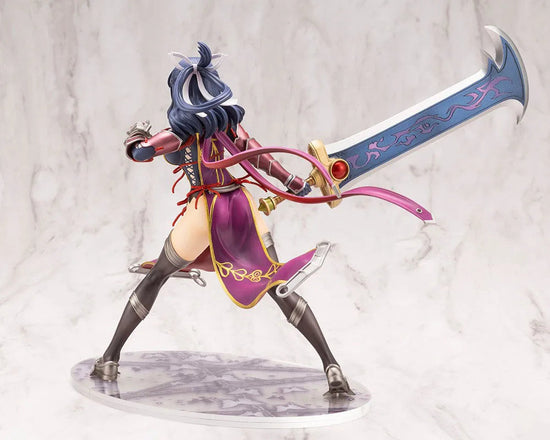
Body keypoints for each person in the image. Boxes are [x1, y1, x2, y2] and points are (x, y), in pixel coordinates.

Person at [91, 42, 353, 395]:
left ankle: (109, 359)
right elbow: (261, 157)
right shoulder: (231, 127)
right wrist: (290, 180)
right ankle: (332, 367)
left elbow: (139, 154)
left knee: (156, 278)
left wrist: (136, 135)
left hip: (205, 212)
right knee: (276, 283)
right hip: (243, 208)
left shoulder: (179, 133)